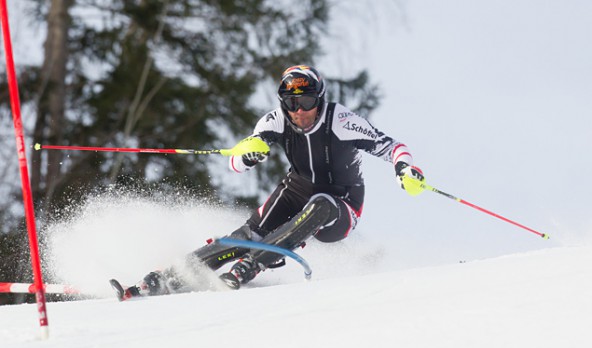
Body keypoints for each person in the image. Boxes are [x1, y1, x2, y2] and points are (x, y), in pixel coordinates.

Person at [115, 65, 425, 299]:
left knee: (321, 204)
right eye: (291, 102)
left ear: (320, 98)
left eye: (306, 100)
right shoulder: (275, 120)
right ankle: (166, 276)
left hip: (342, 203)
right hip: (297, 189)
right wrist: (248, 156)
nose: (299, 111)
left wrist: (405, 170)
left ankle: (255, 263)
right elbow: (236, 162)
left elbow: (391, 146)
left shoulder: (341, 121)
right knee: (247, 234)